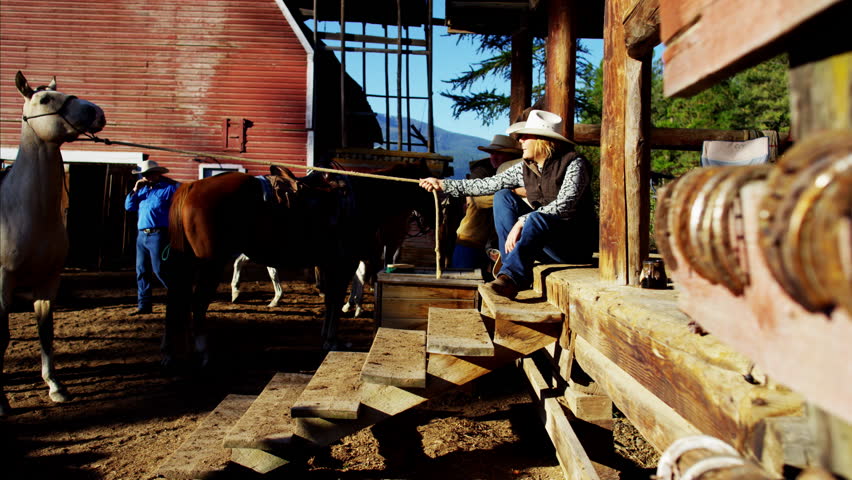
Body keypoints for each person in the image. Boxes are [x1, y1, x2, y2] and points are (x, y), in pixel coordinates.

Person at [420, 110, 597, 299]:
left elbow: (564, 205)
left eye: (524, 136)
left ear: (542, 140)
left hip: (573, 248)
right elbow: (486, 184)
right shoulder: (525, 167)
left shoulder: (574, 164)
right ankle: (507, 272)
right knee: (503, 196)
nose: (519, 140)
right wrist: (443, 184)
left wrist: (523, 221)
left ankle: (513, 276)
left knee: (536, 217)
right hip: (545, 244)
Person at [452, 134, 522, 275]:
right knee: (464, 285)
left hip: (499, 245)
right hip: (471, 242)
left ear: (511, 157)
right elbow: (476, 200)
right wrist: (517, 192)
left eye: (499, 154)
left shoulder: (518, 174)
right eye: (492, 153)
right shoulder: (481, 171)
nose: (493, 157)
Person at [125, 159, 179, 315]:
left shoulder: (170, 188)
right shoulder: (142, 191)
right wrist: (135, 190)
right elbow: (129, 207)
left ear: (157, 174)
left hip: (159, 234)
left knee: (160, 270)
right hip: (141, 235)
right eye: (144, 174)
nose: (146, 177)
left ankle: (180, 298)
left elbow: (184, 193)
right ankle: (144, 306)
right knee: (141, 271)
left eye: (148, 174)